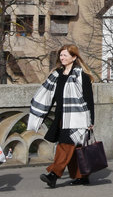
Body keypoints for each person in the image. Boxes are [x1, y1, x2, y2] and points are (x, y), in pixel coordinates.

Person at [28, 45, 95, 188]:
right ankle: (82, 176)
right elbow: (49, 96)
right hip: (61, 116)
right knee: (75, 148)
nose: (62, 58)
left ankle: (54, 174)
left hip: (77, 117)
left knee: (65, 145)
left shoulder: (81, 76)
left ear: (74, 57)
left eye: (65, 55)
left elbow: (89, 100)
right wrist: (41, 113)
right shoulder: (56, 74)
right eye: (61, 55)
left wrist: (91, 121)